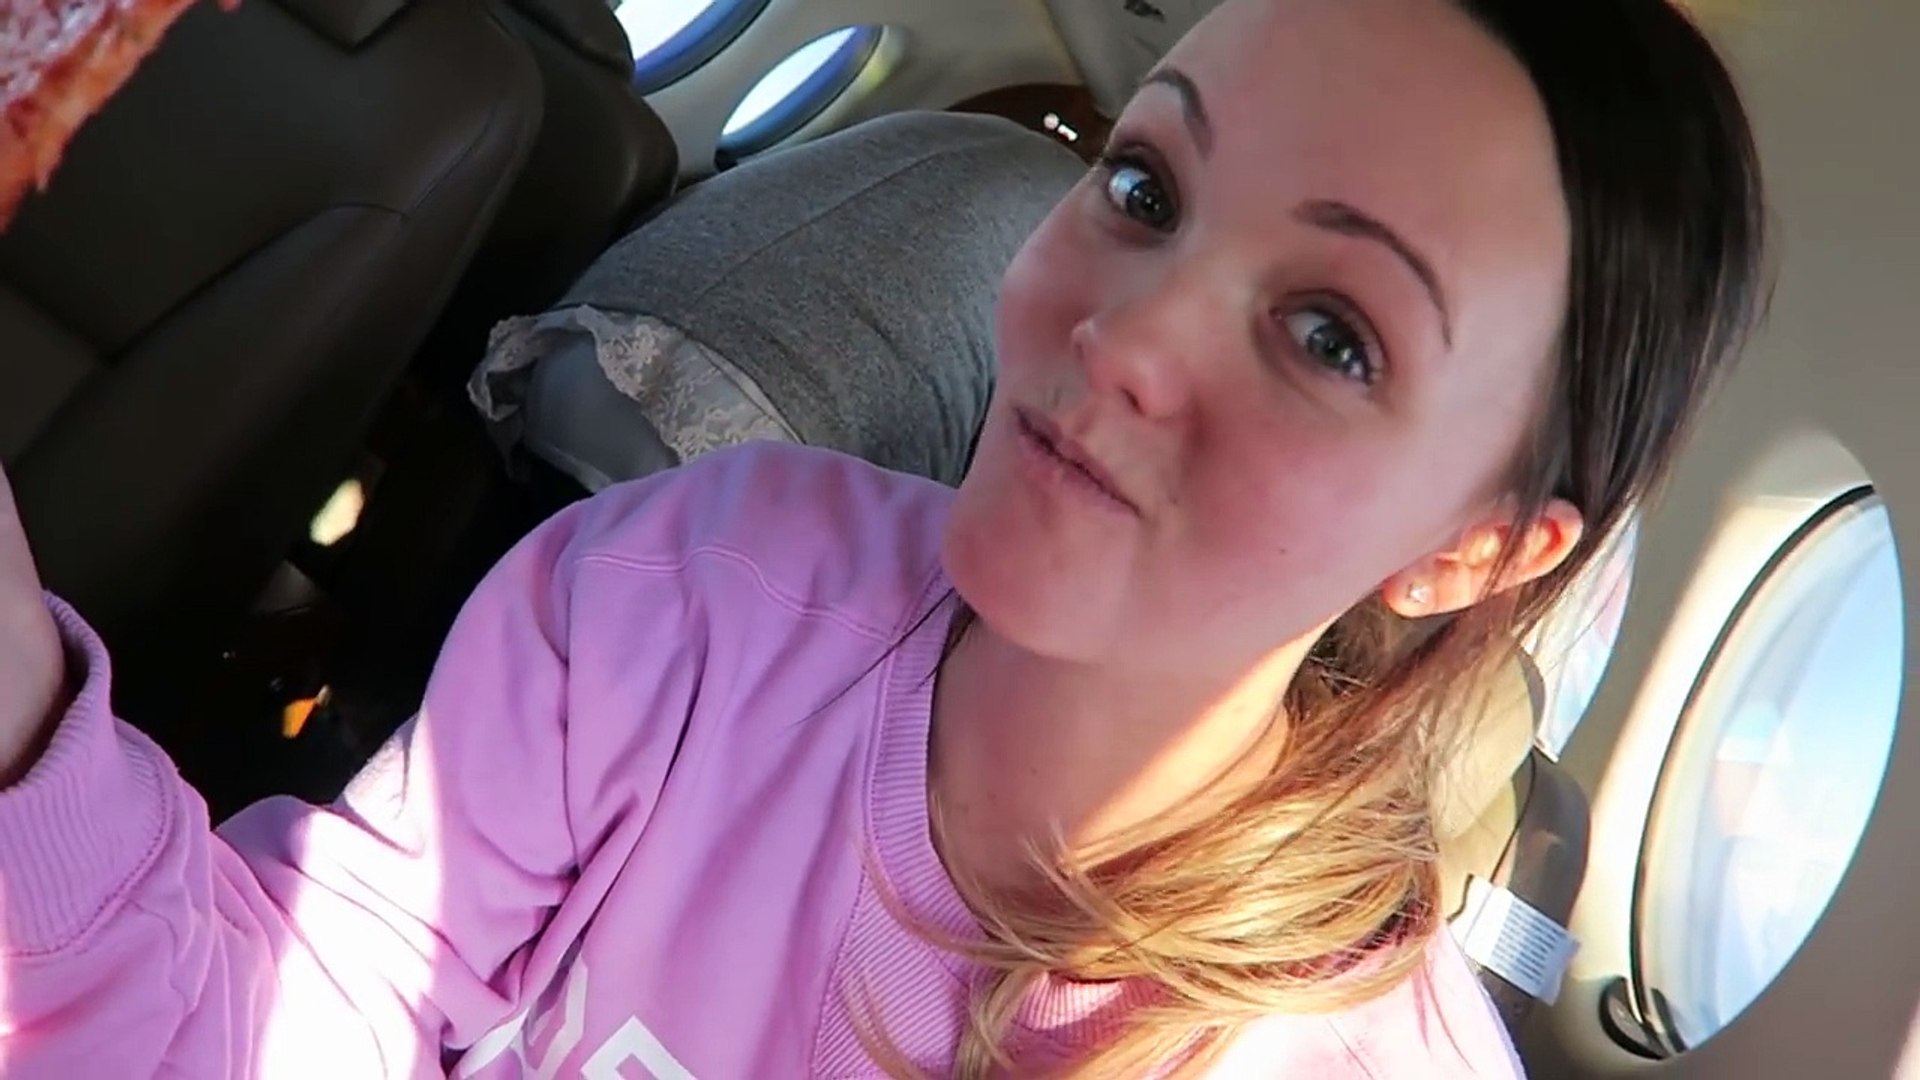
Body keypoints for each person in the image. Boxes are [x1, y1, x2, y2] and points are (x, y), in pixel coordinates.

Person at [0, 0, 1766, 1075]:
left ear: (1476, 551)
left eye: (1331, 335)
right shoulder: (698, 589)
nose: (1127, 337)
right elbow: (293, 1018)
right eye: (1145, 188)